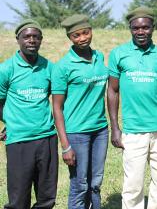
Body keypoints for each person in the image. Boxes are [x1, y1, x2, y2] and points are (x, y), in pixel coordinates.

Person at [107, 6, 157, 209]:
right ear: (130, 28)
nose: (141, 32)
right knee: (133, 184)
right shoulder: (119, 54)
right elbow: (112, 91)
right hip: (133, 130)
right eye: (136, 28)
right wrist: (114, 127)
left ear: (153, 28)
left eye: (146, 27)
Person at [51, 14, 109, 208]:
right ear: (70, 38)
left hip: (100, 130)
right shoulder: (63, 67)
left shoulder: (99, 57)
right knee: (80, 184)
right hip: (77, 132)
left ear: (91, 31)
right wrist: (65, 145)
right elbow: (57, 108)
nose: (83, 38)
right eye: (76, 35)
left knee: (95, 183)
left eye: (86, 32)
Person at [0, 20, 58, 208]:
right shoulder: (6, 69)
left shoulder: (49, 67)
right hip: (19, 140)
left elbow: (57, 100)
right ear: (18, 39)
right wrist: (10, 120)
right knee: (19, 198)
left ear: (41, 40)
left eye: (36, 37)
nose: (31, 40)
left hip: (47, 138)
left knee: (47, 196)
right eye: (27, 37)